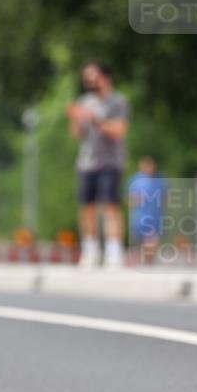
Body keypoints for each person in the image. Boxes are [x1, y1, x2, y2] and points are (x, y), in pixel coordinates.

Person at [67, 62, 130, 267]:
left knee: (111, 207)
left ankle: (114, 250)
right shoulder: (84, 101)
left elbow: (118, 130)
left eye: (93, 77)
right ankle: (90, 250)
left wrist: (94, 119)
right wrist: (75, 120)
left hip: (110, 162)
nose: (89, 82)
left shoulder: (118, 102)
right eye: (87, 78)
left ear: (105, 77)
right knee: (87, 208)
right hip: (87, 163)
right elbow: (77, 135)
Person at [128, 155, 167, 264]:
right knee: (141, 240)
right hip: (139, 216)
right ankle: (146, 258)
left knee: (152, 238)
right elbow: (131, 199)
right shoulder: (135, 180)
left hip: (155, 215)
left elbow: (165, 197)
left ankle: (150, 260)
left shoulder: (160, 180)